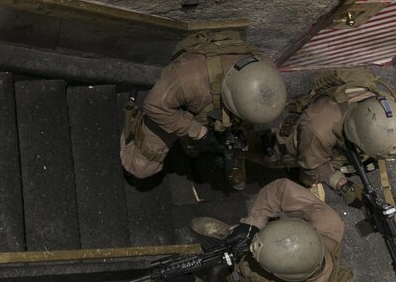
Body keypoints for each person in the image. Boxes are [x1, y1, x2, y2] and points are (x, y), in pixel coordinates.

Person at [272, 69, 396, 276]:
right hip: (317, 137)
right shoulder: (318, 127)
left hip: (352, 134)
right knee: (283, 155)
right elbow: (313, 164)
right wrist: (340, 183)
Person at [162, 178, 352, 282]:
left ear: (273, 273)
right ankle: (233, 234)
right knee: (244, 235)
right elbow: (281, 189)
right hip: (270, 250)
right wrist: (252, 226)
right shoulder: (330, 224)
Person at [120, 30, 287, 184]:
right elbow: (154, 106)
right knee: (140, 168)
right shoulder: (189, 77)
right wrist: (199, 132)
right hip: (178, 103)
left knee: (241, 139)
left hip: (219, 104)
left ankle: (210, 144)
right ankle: (136, 137)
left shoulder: (266, 72)